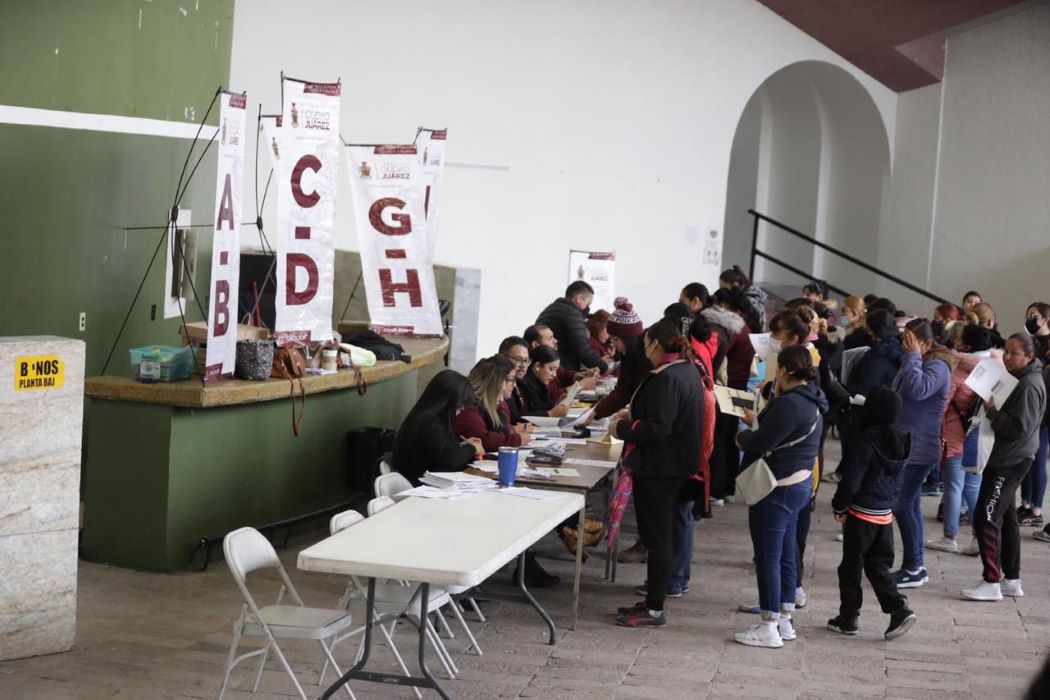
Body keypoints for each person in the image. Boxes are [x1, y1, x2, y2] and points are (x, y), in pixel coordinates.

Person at [733, 345, 827, 648]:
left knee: (768, 557)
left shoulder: (789, 404)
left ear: (784, 371)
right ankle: (785, 619)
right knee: (787, 555)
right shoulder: (813, 399)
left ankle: (769, 625)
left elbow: (760, 443)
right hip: (799, 484)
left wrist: (742, 437)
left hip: (777, 487)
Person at [612, 318, 702, 627]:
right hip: (673, 463)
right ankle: (653, 600)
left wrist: (622, 427)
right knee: (660, 536)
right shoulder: (686, 369)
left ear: (656, 344)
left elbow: (658, 427)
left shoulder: (668, 377)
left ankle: (653, 608)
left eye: (647, 342)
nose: (644, 349)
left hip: (660, 467)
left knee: (657, 538)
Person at [962, 333, 1046, 601]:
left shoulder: (1029, 384)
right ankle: (1011, 579)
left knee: (986, 515)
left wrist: (992, 408)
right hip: (1006, 456)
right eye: (1005, 351)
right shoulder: (1020, 378)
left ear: (1029, 357)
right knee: (1007, 519)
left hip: (1011, 460)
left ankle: (991, 581)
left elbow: (1019, 428)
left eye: (1014, 353)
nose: (1007, 357)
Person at [828, 386, 917, 640]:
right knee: (878, 565)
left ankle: (848, 618)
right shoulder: (902, 438)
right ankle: (899, 608)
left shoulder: (866, 439)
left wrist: (839, 505)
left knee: (850, 568)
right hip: (885, 513)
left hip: (862, 513)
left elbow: (852, 480)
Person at [890, 319, 954, 589]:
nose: (906, 347)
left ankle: (913, 566)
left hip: (920, 448)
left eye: (911, 342)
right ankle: (916, 565)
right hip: (907, 444)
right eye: (904, 341)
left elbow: (917, 391)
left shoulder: (938, 365)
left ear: (927, 343)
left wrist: (913, 357)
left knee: (901, 505)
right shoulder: (916, 359)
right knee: (911, 505)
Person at [926, 339, 982, 555]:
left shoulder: (957, 374)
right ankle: (979, 538)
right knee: (973, 489)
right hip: (977, 441)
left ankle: (949, 537)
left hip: (955, 438)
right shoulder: (985, 373)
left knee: (954, 488)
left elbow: (941, 405)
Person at [392, 369, 484, 486]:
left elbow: (440, 450)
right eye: (460, 406)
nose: (461, 410)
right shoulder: (430, 423)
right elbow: (451, 459)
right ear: (448, 401)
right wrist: (473, 448)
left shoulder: (427, 417)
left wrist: (462, 446)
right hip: (418, 489)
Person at [454, 356, 529, 452]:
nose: (502, 399)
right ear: (490, 389)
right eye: (500, 392)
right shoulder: (469, 411)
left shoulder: (494, 408)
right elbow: (482, 439)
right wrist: (516, 439)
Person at [1019, 303, 1050, 527]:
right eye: (1028, 314)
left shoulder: (1048, 345)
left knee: (1038, 461)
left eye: (1034, 316)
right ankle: (1026, 503)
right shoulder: (1033, 342)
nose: (1029, 318)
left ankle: (1037, 510)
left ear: (1046, 319)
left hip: (1045, 411)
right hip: (1030, 407)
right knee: (1027, 460)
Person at [535, 281, 609, 374]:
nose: (587, 308)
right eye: (588, 304)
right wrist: (604, 367)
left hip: (546, 367)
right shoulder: (572, 313)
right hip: (561, 369)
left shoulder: (548, 309)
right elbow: (582, 349)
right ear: (579, 299)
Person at [517, 345, 568, 417]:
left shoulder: (538, 381)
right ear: (537, 366)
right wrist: (550, 413)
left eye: (556, 370)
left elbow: (538, 407)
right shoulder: (523, 385)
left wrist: (555, 404)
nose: (555, 375)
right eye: (551, 369)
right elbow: (528, 412)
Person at [719, 265, 767, 334]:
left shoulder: (750, 300)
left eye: (724, 288)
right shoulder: (746, 295)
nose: (722, 291)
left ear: (735, 284)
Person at [499, 336, 532, 424]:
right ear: (502, 357)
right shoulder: (497, 384)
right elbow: (513, 418)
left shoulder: (522, 383)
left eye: (526, 361)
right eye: (518, 360)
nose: (523, 365)